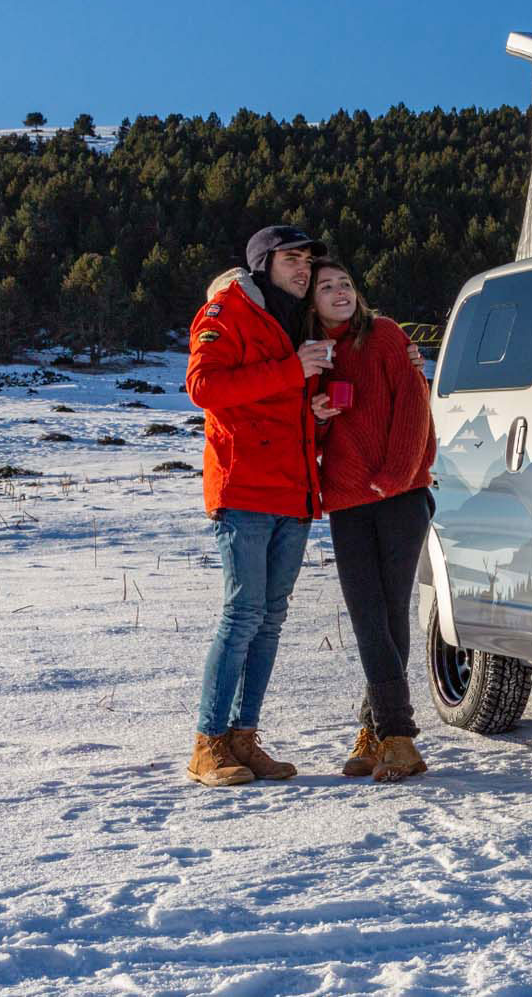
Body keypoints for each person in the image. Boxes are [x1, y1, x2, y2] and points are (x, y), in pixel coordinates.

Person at [183, 225, 333, 787]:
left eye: (308, 260)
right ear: (264, 262)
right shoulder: (227, 311)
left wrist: (313, 414)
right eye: (291, 258)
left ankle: (244, 740)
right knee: (243, 615)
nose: (303, 268)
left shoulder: (298, 321)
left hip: (293, 492)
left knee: (269, 620)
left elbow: (279, 406)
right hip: (244, 489)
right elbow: (203, 387)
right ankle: (208, 742)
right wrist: (291, 372)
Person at [304, 259, 438, 783]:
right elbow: (304, 439)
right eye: (326, 287)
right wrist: (315, 418)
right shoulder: (314, 357)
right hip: (346, 500)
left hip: (399, 496)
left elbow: (414, 406)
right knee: (369, 618)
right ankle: (380, 729)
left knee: (387, 614)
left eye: (346, 285)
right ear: (311, 302)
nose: (339, 292)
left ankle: (396, 735)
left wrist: (393, 476)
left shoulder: (384, 336)